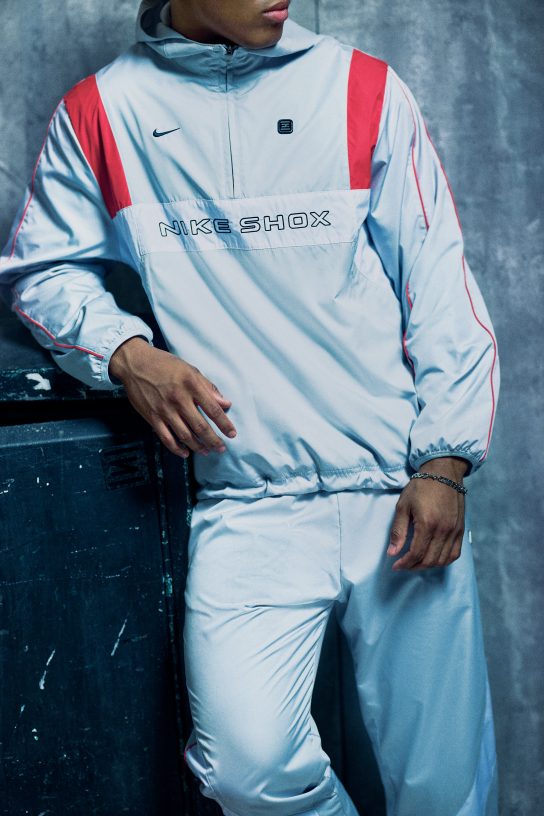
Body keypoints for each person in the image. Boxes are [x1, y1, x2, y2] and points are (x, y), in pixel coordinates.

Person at [0, 0, 501, 813]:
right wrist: (128, 354)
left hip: (400, 493)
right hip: (248, 501)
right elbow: (41, 271)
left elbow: (440, 286)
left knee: (447, 794)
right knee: (247, 770)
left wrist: (445, 462)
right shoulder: (103, 109)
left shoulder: (362, 88)